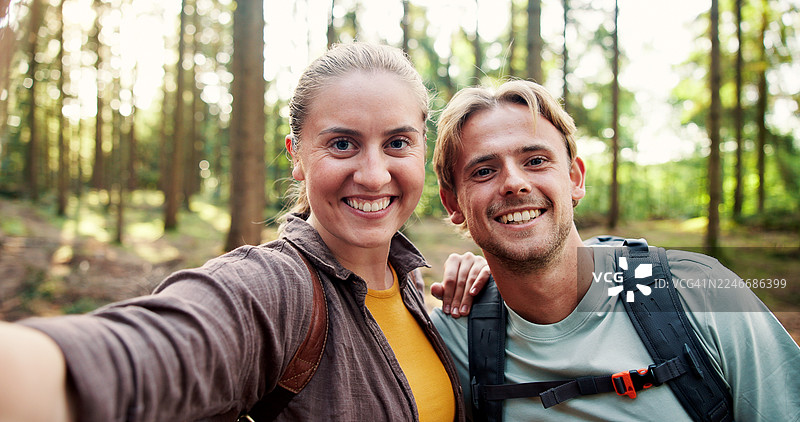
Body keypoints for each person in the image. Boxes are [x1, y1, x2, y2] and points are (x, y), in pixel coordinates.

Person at [0, 43, 491, 422]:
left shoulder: (411, 287)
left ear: (421, 149)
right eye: (342, 144)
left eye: (397, 143)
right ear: (296, 156)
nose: (373, 173)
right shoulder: (275, 289)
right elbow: (144, 356)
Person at [430, 79, 800, 421]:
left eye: (536, 161)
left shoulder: (700, 294)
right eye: (483, 171)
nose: (514, 183)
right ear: (453, 204)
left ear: (575, 179)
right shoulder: (451, 340)